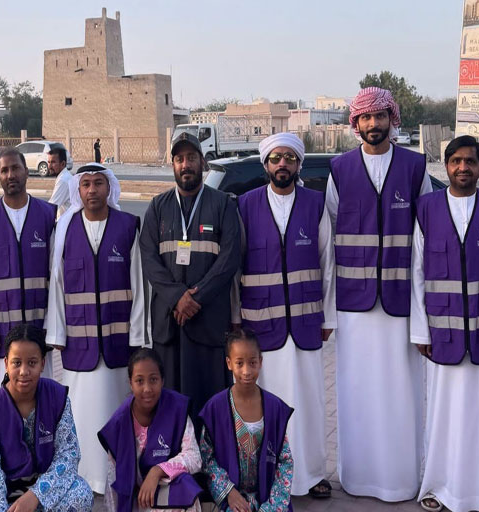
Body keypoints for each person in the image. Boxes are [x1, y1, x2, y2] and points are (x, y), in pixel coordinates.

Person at [325, 87, 431, 501]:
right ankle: (358, 477)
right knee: (357, 391)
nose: (373, 124)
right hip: (354, 304)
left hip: (401, 300)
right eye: (365, 118)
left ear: (392, 119)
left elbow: (427, 235)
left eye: (380, 116)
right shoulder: (339, 169)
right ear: (356, 123)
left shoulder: (415, 167)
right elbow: (330, 236)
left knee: (402, 391)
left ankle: (401, 479)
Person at [411, 136, 479, 512]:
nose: (462, 168)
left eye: (470, 161)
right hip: (442, 335)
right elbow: (417, 273)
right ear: (446, 165)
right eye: (455, 161)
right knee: (444, 417)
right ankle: (440, 488)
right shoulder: (427, 209)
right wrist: (420, 330)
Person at [235, 132, 336, 499]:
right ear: (266, 165)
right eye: (276, 158)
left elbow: (327, 263)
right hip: (261, 327)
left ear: (298, 165)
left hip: (307, 323)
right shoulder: (245, 205)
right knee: (264, 404)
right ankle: (262, 476)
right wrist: (236, 322)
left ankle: (311, 474)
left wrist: (328, 318)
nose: (282, 164)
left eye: (289, 158)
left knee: (309, 402)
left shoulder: (314, 204)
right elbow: (235, 268)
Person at [45, 163, 146, 493]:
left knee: (117, 411)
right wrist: (57, 333)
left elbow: (139, 285)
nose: (92, 190)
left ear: (109, 188)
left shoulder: (128, 226)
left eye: (98, 183)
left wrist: (137, 336)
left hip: (118, 343)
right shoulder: (65, 229)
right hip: (79, 342)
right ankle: (84, 478)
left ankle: (114, 478)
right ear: (78, 190)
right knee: (81, 414)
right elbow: (57, 284)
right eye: (86, 184)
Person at [140, 132, 240, 418]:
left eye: (192, 158)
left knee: (209, 407)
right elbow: (149, 259)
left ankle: (208, 449)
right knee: (170, 409)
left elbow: (229, 258)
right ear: (173, 164)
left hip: (208, 322)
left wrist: (195, 298)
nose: (186, 165)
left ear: (202, 162)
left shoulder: (222, 204)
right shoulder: (157, 207)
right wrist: (177, 298)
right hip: (170, 324)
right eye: (180, 159)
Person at [0, 324, 94, 512]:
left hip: (45, 491)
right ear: (6, 363)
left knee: (81, 494)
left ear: (42, 363)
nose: (24, 371)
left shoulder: (57, 398)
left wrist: (35, 496)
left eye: (32, 363)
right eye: (17, 363)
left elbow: (68, 456)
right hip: (2, 495)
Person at [0, 149, 57, 393]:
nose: (10, 175)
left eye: (15, 168)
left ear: (26, 172)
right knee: (1, 399)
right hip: (0, 333)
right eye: (4, 170)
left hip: (38, 329)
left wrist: (51, 325)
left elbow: (56, 275)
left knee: (40, 397)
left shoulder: (46, 216)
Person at [199, 329, 293, 511]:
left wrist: (271, 507)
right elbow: (207, 459)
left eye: (252, 362)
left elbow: (285, 461)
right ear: (229, 363)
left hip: (270, 500)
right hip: (233, 500)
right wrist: (229, 492)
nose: (246, 371)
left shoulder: (274, 407)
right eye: (239, 363)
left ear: (261, 362)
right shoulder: (216, 408)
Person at [100, 348, 202, 512]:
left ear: (162, 381)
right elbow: (114, 478)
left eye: (153, 379)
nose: (147, 388)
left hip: (168, 488)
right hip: (138, 498)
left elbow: (194, 457)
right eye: (139, 381)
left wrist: (157, 471)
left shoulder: (176, 408)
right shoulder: (119, 423)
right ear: (130, 383)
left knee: (187, 486)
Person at [47, 146, 73, 219]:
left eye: (53, 162)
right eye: (48, 162)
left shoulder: (63, 180)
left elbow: (51, 207)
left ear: (63, 164)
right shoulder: (65, 176)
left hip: (68, 222)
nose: (50, 166)